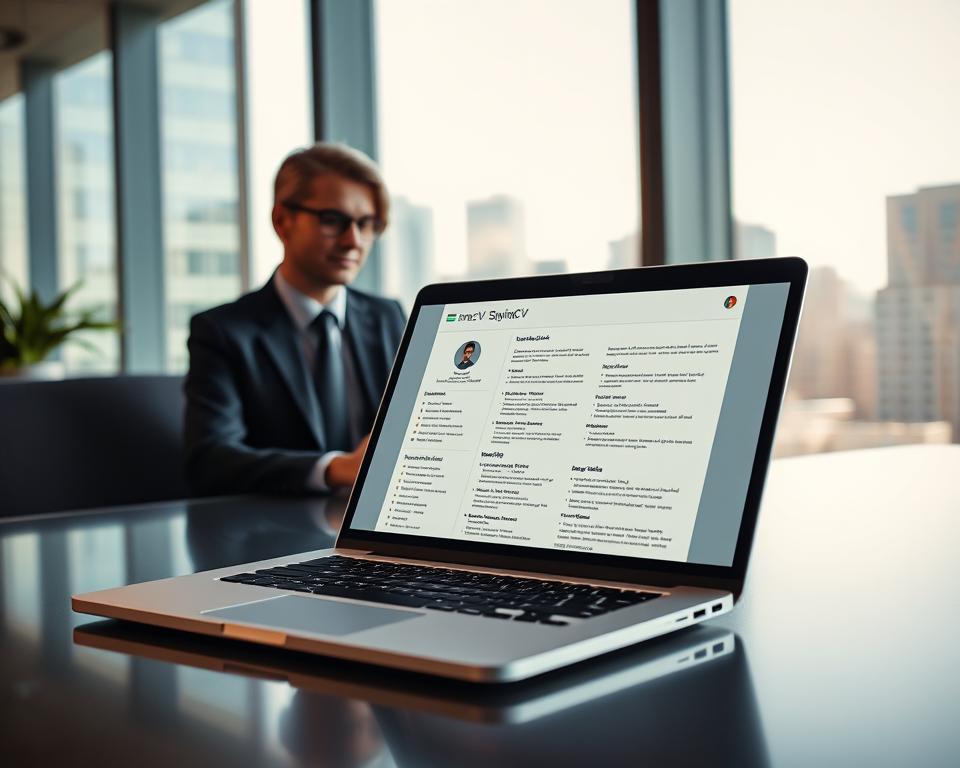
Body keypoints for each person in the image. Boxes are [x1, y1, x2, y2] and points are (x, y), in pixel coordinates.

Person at [184, 143, 405, 495]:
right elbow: (211, 459)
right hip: (275, 532)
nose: (354, 240)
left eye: (367, 224)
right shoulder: (223, 332)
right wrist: (335, 469)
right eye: (333, 220)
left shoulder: (387, 316)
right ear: (282, 220)